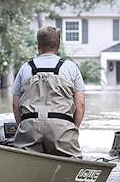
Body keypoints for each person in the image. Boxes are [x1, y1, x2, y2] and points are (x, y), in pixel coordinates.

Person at [11, 26, 85, 158]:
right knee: (72, 164)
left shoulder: (25, 68)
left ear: (38, 45)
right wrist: (73, 129)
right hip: (62, 127)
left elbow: (15, 105)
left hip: (30, 125)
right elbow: (80, 105)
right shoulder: (70, 67)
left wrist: (22, 127)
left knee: (25, 162)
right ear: (58, 45)